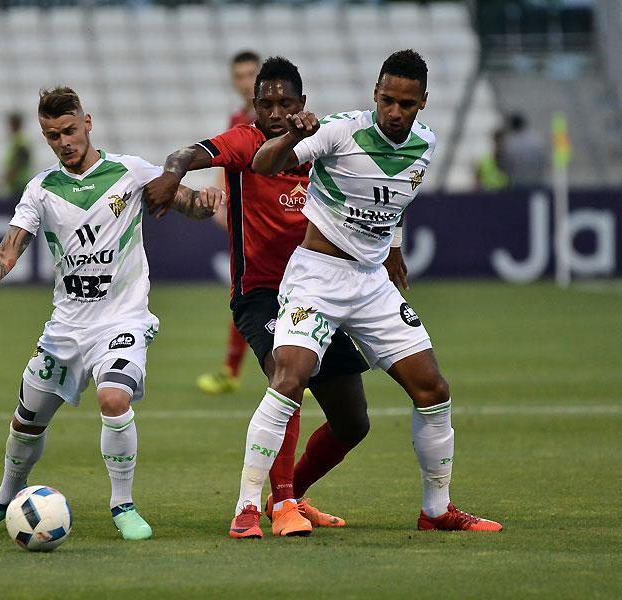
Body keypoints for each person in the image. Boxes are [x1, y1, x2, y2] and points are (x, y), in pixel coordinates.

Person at [0, 86, 224, 541]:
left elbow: (187, 203)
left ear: (87, 123)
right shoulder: (41, 189)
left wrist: (206, 203)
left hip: (122, 322)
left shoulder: (129, 172)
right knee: (26, 421)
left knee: (114, 398)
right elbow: (7, 252)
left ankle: (123, 505)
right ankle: (4, 498)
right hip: (66, 328)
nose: (64, 142)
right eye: (53, 135)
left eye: (69, 130)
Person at [245, 49, 503, 532]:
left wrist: (395, 247)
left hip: (371, 284)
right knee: (289, 379)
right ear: (376, 94)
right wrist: (293, 136)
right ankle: (256, 506)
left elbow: (395, 195)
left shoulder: (425, 143)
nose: (394, 112)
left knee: (433, 389)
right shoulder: (340, 131)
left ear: (423, 102)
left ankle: (436, 511)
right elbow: (262, 164)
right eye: (387, 100)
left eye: (406, 103)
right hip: (318, 276)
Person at [145, 57, 372, 539]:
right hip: (261, 293)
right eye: (265, 104)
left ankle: (288, 496)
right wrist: (172, 175)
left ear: (302, 104)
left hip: (317, 293)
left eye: (285, 103)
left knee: (353, 421)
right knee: (287, 377)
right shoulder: (245, 142)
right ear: (254, 106)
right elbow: (188, 153)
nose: (275, 113)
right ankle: (283, 502)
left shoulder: (320, 146)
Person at [196, 50, 261, 396]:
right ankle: (230, 371)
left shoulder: (279, 117)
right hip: (249, 221)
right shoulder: (238, 119)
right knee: (247, 292)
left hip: (279, 218)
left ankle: (315, 370)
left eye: (252, 74)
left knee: (299, 293)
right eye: (240, 76)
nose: (246, 82)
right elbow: (229, 160)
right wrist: (222, 202)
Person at [501, 112, 547, 189]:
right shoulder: (537, 139)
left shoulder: (509, 142)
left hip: (517, 183)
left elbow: (506, 164)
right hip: (537, 181)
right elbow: (544, 160)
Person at [1, 112, 33, 199]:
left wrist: (12, 174)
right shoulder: (18, 140)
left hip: (19, 183)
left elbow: (22, 159)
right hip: (17, 184)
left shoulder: (19, 141)